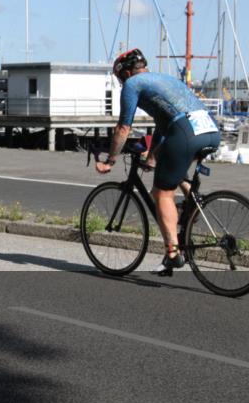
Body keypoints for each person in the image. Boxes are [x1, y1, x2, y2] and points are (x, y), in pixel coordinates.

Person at [95, 49, 221, 275]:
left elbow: (123, 128)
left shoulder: (132, 85)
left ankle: (173, 254)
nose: (121, 81)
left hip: (185, 132)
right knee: (171, 166)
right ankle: (192, 206)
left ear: (124, 73)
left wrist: (110, 160)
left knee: (161, 193)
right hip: (210, 129)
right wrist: (152, 158)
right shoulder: (165, 79)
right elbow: (164, 127)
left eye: (119, 77)